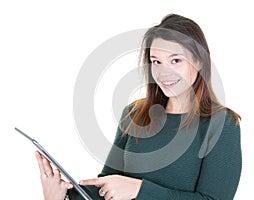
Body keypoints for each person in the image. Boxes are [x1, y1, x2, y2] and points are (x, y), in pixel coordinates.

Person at [36, 13, 242, 200]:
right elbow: (108, 187)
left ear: (199, 61)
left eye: (175, 60)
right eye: (156, 61)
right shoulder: (134, 115)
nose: (163, 73)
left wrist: (140, 190)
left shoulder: (222, 124)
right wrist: (63, 195)